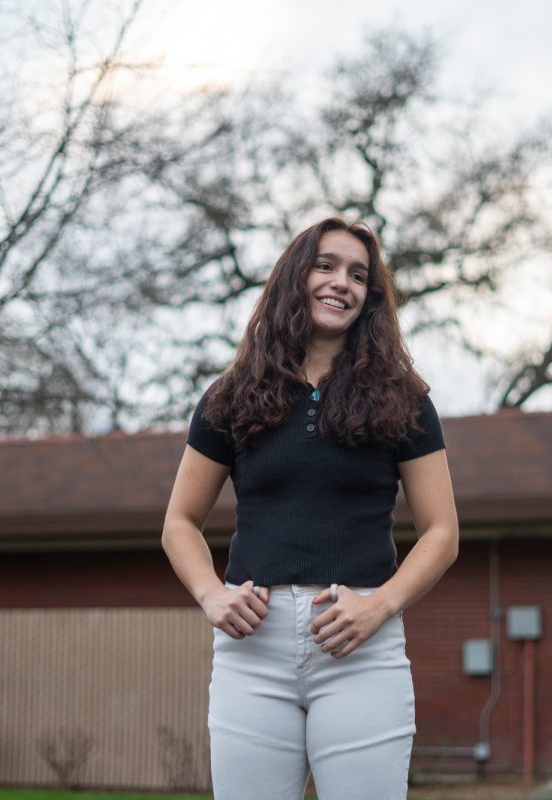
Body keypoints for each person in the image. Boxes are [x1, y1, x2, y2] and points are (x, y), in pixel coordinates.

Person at [161, 217, 459, 800]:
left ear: (369, 299)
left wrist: (380, 607)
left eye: (358, 275)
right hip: (253, 652)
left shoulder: (406, 399)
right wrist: (211, 594)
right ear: (294, 277)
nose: (341, 282)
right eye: (325, 265)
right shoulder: (231, 395)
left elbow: (442, 532)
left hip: (360, 648)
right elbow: (179, 523)